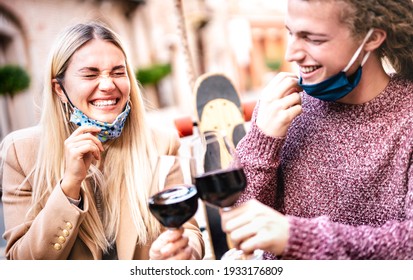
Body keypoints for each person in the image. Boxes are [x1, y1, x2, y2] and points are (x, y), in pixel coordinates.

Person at [221, 0, 413, 260]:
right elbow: (242, 220)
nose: (291, 54)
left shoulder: (407, 117)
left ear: (373, 38)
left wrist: (296, 237)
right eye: (290, 33)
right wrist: (261, 140)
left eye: (313, 39)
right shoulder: (281, 108)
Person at [0, 21, 204, 260]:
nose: (108, 85)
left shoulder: (161, 143)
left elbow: (188, 230)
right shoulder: (20, 152)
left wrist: (182, 250)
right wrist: (70, 185)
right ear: (58, 89)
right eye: (90, 74)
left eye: (118, 72)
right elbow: (21, 264)